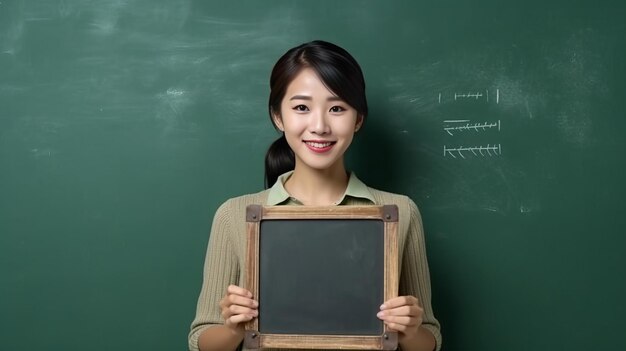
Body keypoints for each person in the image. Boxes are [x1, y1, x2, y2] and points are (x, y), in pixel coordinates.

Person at [189, 40, 441, 351]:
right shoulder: (235, 214)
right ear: (278, 117)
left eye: (337, 108)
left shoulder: (398, 211)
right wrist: (232, 328)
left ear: (358, 119)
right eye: (301, 108)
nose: (319, 126)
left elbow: (430, 340)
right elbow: (201, 340)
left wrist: (410, 328)